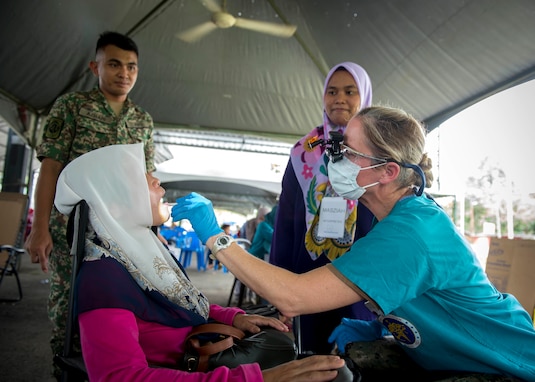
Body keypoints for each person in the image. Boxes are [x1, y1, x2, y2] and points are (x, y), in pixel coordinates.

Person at [172, 106, 535, 381]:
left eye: (348, 152)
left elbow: (293, 297)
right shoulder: (400, 215)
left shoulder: (410, 233)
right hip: (459, 355)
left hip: (505, 365)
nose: (336, 160)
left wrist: (214, 235)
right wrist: (384, 323)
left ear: (387, 171)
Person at [54, 143, 346, 382]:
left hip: (196, 353)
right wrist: (263, 379)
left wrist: (232, 317)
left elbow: (177, 304)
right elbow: (119, 377)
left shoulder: (139, 250)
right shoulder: (102, 276)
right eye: (141, 175)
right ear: (113, 197)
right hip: (183, 366)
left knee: (287, 344)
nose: (157, 181)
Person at [23, 31, 155, 379]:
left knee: (116, 308)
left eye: (131, 67)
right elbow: (50, 167)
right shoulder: (72, 107)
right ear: (94, 66)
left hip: (123, 236)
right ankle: (64, 371)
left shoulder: (143, 120)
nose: (124, 73)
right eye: (114, 64)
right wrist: (39, 229)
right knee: (67, 307)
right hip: (73, 229)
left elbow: (147, 180)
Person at [269, 62, 376, 354]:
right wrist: (279, 281)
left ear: (364, 97)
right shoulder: (303, 152)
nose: (339, 98)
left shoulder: (379, 152)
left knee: (359, 355)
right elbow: (287, 221)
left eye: (349, 91)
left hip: (362, 275)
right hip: (309, 270)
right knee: (312, 355)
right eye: (332, 91)